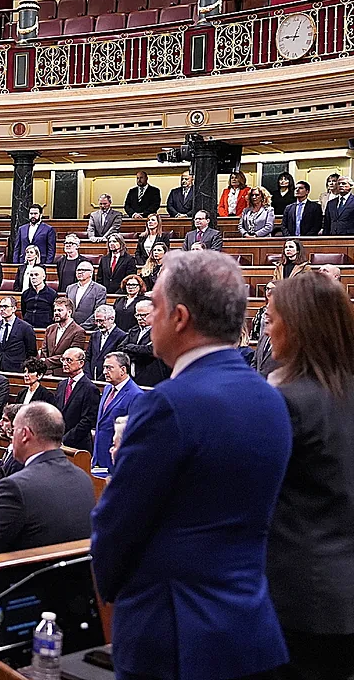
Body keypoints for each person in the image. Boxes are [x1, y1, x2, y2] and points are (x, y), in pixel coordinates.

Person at [92, 250, 292, 680]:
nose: (149, 320)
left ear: (179, 318)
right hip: (250, 628)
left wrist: (110, 595)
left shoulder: (167, 405)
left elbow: (116, 528)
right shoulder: (271, 398)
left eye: (156, 308)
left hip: (173, 637)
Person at [263, 272, 354, 678]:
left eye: (271, 317)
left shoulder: (287, 403)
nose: (266, 327)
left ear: (297, 327)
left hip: (300, 600)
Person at [0, 401, 94, 552]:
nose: (11, 437)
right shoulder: (83, 478)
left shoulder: (15, 487)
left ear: (25, 434)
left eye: (14, 430)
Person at [94, 352, 141, 471]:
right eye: (104, 367)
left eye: (109, 368)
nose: (104, 372)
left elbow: (133, 433)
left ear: (123, 370)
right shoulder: (107, 388)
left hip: (116, 460)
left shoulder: (136, 395)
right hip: (98, 457)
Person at [40, 296, 90, 374]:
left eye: (60, 310)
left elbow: (72, 356)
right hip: (46, 371)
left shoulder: (78, 331)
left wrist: (46, 362)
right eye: (55, 310)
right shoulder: (50, 328)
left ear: (69, 312)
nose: (56, 313)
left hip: (64, 373)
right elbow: (44, 350)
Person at [87, 304, 127, 381]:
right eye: (97, 321)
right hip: (91, 378)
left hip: (108, 379)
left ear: (111, 319)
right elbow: (88, 357)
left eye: (101, 321)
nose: (99, 324)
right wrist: (88, 376)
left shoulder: (121, 336)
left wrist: (101, 378)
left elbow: (117, 361)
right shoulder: (95, 335)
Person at [66, 260, 107, 326]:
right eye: (78, 270)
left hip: (88, 328)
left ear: (91, 273)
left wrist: (84, 326)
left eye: (83, 270)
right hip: (70, 327)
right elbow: (67, 309)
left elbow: (98, 312)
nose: (80, 272)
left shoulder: (100, 289)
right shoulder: (70, 288)